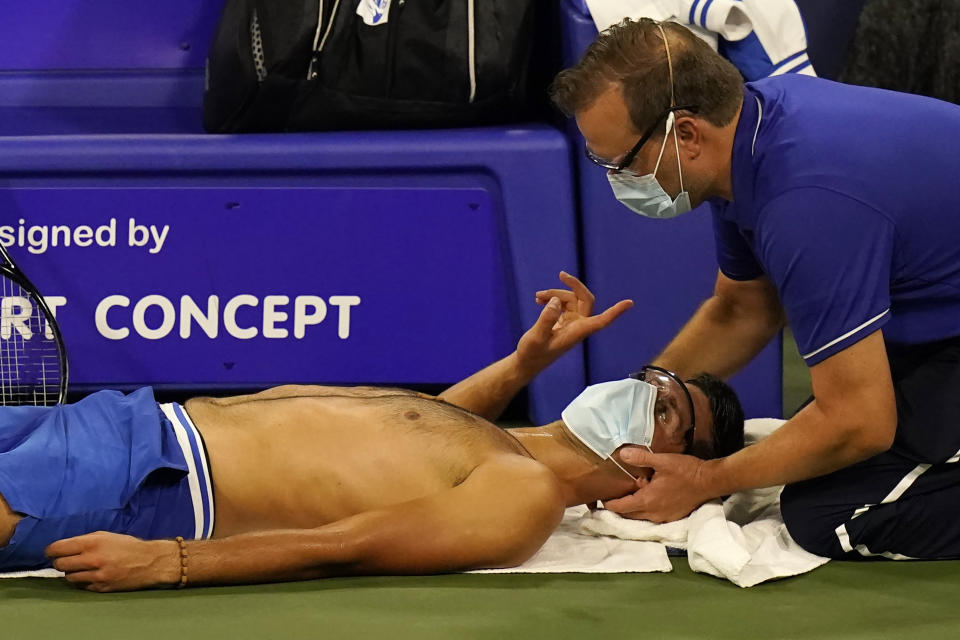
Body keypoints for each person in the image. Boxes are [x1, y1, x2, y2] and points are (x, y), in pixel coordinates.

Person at [0, 273, 744, 591]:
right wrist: (522, 363)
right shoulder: (500, 444)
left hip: (160, 485)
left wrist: (174, 563)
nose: (641, 393)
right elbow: (401, 432)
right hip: (135, 420)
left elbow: (350, 544)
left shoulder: (526, 495)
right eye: (652, 380)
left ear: (651, 474)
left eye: (666, 410)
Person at [549, 17, 960, 560]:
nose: (614, 178)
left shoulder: (804, 204)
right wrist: (642, 398)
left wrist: (705, 478)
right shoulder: (751, 130)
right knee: (818, 449)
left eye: (619, 162)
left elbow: (859, 421)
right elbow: (743, 308)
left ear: (686, 134)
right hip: (936, 313)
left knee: (827, 514)